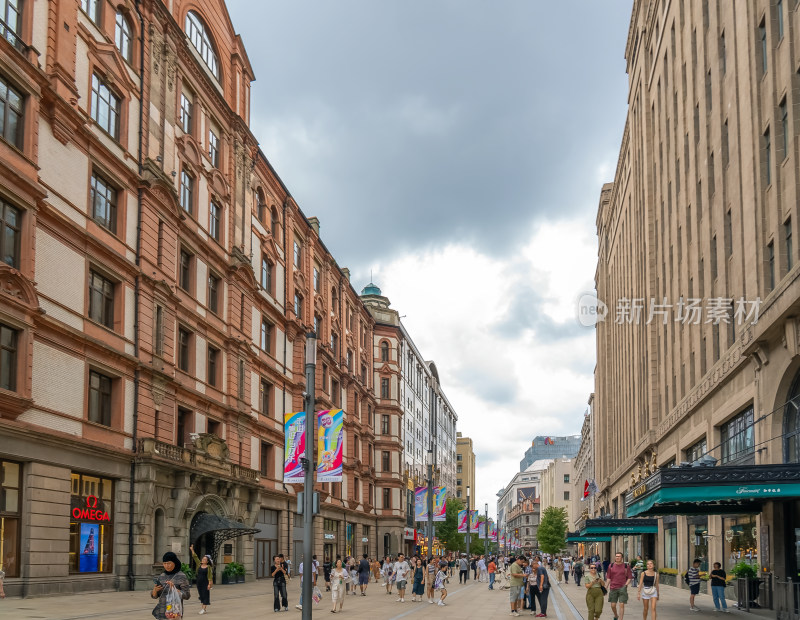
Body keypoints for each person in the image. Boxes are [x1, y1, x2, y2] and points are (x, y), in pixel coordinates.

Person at [151, 551, 191, 620]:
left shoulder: (181, 576)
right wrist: (154, 591)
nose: (166, 566)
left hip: (174, 613)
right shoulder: (162, 576)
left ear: (174, 563)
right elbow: (154, 596)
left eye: (169, 563)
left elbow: (187, 595)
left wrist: (175, 590)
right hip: (162, 613)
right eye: (164, 563)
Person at [606, 552, 633, 620]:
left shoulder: (626, 566)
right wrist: (606, 587)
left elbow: (630, 577)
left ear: (622, 558)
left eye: (619, 556)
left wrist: (626, 585)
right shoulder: (611, 566)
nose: (617, 557)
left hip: (622, 587)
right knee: (613, 605)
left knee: (622, 604)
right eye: (616, 556)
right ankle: (616, 615)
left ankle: (621, 619)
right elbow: (609, 577)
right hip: (613, 587)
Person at [189, 545, 214, 615]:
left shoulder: (208, 567)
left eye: (205, 559)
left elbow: (210, 576)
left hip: (205, 582)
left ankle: (203, 608)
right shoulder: (199, 565)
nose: (203, 560)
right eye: (203, 559)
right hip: (199, 582)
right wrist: (192, 550)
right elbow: (195, 557)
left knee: (205, 595)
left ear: (207, 561)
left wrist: (209, 584)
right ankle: (203, 608)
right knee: (201, 595)